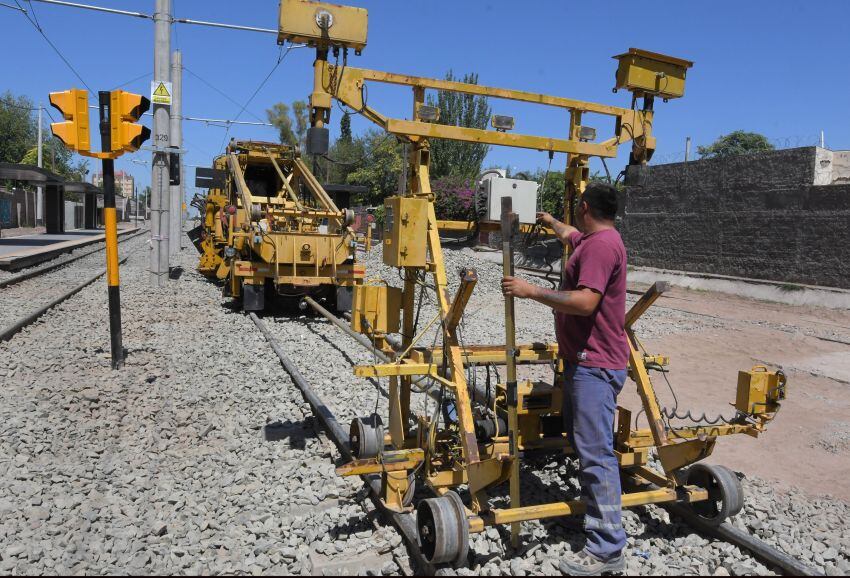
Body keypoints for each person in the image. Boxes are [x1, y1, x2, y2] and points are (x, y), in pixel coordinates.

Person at [501, 182, 629, 576]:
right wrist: (552, 221)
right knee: (582, 443)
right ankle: (596, 520)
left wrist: (530, 291)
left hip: (595, 366)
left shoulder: (600, 247)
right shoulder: (594, 238)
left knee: (596, 454)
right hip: (584, 363)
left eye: (575, 209)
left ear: (586, 206)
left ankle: (607, 549)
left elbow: (586, 301)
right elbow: (570, 234)